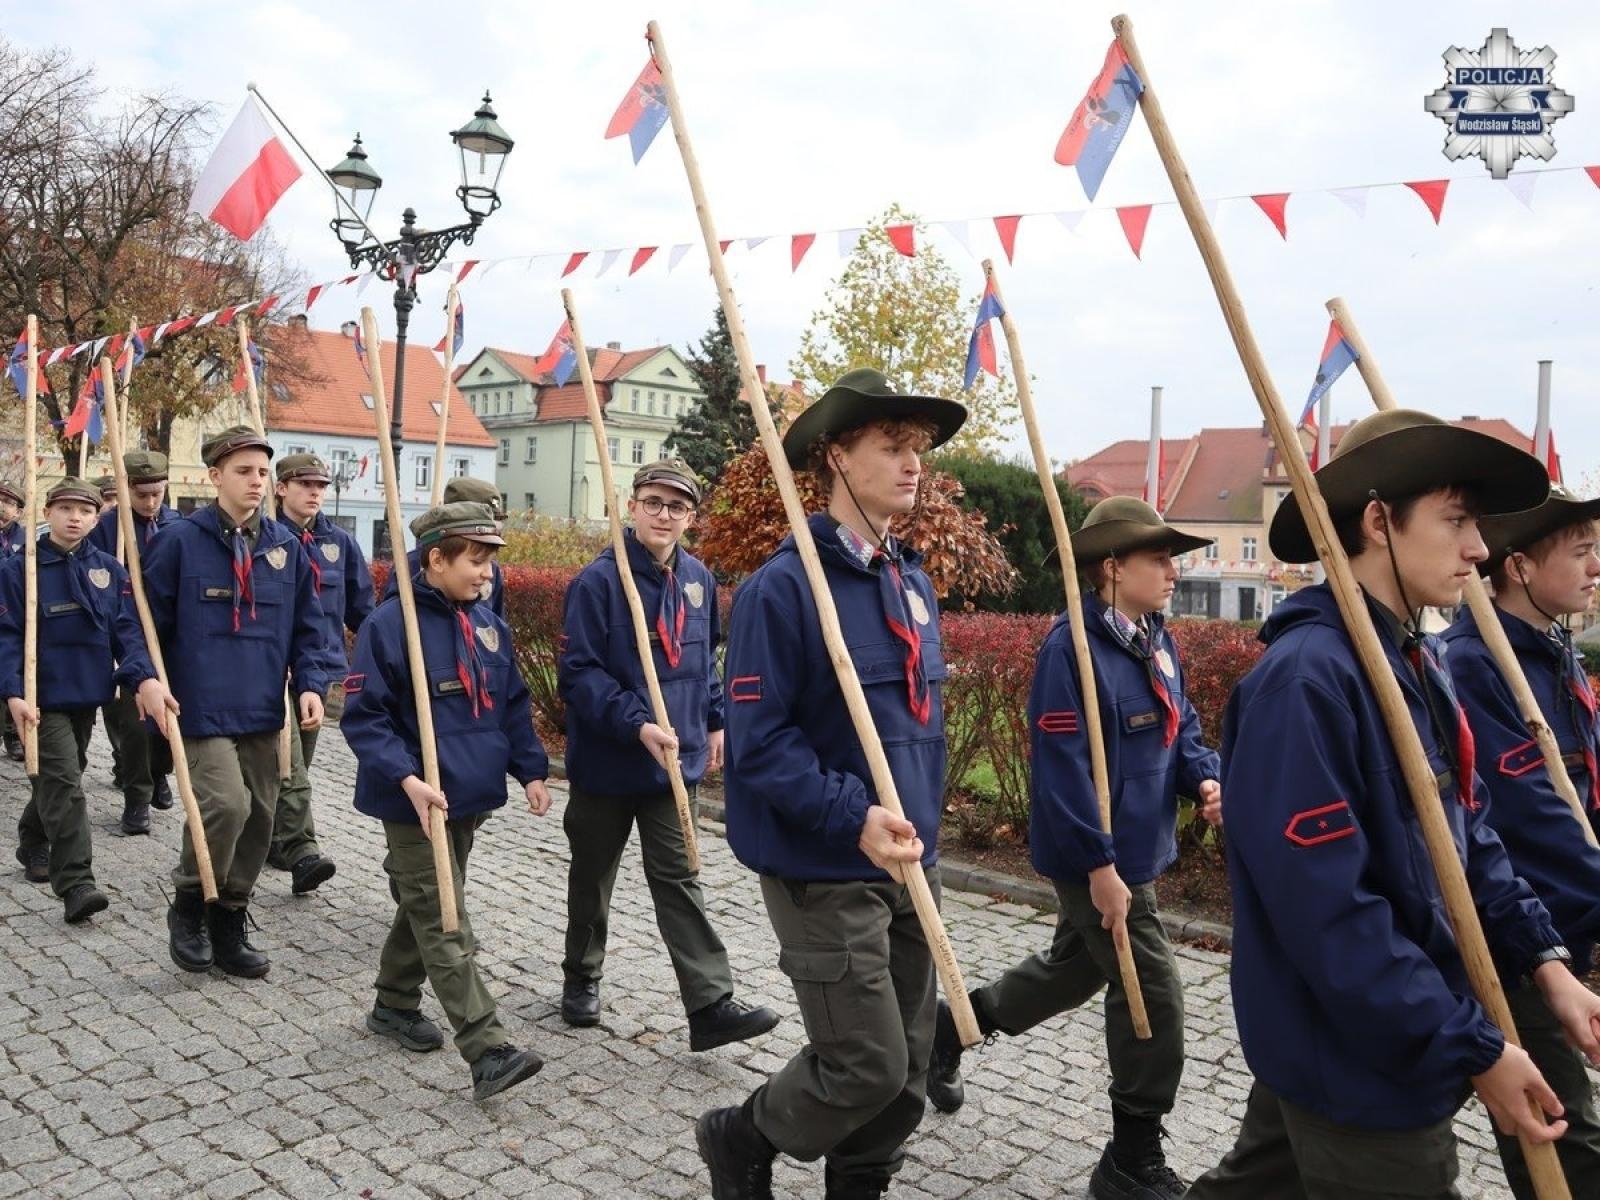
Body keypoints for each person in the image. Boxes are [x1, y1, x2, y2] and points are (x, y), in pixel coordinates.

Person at [1188, 410, 1600, 1200]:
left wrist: (1547, 966)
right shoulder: (1308, 681)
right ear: (1379, 520)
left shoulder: (1412, 661)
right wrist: (1474, 1048)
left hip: (1371, 1030)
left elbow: (1467, 839)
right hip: (1355, 1052)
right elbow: (1330, 913)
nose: (1480, 548)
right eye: (1457, 521)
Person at [696, 368, 967, 1200]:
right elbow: (761, 743)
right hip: (826, 861)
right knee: (865, 1061)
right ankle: (741, 1134)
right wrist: (856, 817)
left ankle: (859, 1186)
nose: (912, 465)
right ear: (837, 458)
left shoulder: (909, 583)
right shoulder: (787, 587)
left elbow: (916, 727)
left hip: (908, 861)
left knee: (911, 1066)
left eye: (916, 449)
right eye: (891, 447)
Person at [925, 496, 1221, 1200]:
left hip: (1140, 848)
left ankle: (950, 1031)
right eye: (1159, 558)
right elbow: (1061, 773)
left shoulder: (1155, 637)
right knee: (1154, 996)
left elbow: (1184, 730)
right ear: (1112, 568)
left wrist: (1205, 778)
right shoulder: (1073, 651)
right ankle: (1130, 1156)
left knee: (1075, 969)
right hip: (1097, 856)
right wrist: (1099, 868)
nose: (1174, 571)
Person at [558, 457, 779, 1049]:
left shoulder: (699, 580)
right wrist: (636, 724)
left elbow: (702, 661)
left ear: (691, 517)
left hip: (672, 769)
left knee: (681, 879)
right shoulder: (599, 582)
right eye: (653, 502)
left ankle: (710, 1004)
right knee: (592, 877)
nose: (663, 515)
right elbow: (578, 675)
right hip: (610, 762)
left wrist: (714, 721)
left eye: (676, 506)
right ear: (632, 507)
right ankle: (581, 976)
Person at [341, 502, 552, 1100]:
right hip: (415, 799)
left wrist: (531, 768)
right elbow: (365, 719)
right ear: (436, 559)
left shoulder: (488, 623)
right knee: (444, 916)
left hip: (470, 793)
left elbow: (510, 703)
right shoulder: (391, 625)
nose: (487, 574)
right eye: (476, 561)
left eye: (489, 563)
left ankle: (392, 1003)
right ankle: (487, 1048)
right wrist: (407, 779)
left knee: (426, 902)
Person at [1438, 483, 1600, 1198]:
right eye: (1582, 550)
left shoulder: (1551, 654)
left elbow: (1584, 792)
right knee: (1565, 1133)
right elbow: (1531, 820)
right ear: (1519, 568)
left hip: (1558, 935)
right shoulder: (1475, 664)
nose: (1597, 567)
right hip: (1512, 937)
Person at [142, 426, 327, 980]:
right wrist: (145, 679)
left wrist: (312, 681)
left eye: (263, 472)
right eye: (244, 471)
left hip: (263, 707)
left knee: (262, 817)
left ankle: (230, 914)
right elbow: (140, 622)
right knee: (226, 805)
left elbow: (309, 628)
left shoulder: (284, 547)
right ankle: (191, 901)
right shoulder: (178, 542)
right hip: (197, 705)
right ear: (214, 476)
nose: (256, 481)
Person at [2, 478, 174, 922]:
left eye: (84, 511)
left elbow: (127, 633)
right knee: (64, 784)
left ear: (97, 518)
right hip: (41, 700)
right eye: (64, 509)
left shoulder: (109, 571)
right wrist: (13, 693)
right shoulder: (20, 570)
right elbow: (6, 638)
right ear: (49, 513)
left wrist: (144, 679)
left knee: (62, 773)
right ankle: (77, 882)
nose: (74, 517)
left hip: (87, 694)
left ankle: (32, 838)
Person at [264, 452, 374, 895]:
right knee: (288, 764)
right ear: (281, 488)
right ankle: (300, 849)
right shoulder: (265, 538)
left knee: (296, 761)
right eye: (304, 484)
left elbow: (362, 610)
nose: (314, 492)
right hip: (273, 671)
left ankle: (273, 837)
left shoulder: (340, 543)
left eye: (320, 486)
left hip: (322, 668)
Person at [89, 450, 182, 833]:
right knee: (134, 721)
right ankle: (136, 798)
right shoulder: (105, 529)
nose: (149, 502)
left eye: (157, 493)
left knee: (168, 719)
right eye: (141, 494)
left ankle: (160, 771)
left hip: (169, 635)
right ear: (127, 488)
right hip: (124, 634)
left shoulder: (178, 527)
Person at [382, 477, 505, 616]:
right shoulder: (409, 564)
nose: (493, 526)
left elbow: (496, 621)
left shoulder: (491, 569)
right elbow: (390, 616)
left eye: (497, 519)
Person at [0, 481, 27, 762]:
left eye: (8, 503)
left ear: (18, 512)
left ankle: (11, 731)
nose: (1, 508)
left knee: (13, 671)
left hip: (13, 615)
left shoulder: (28, 541)